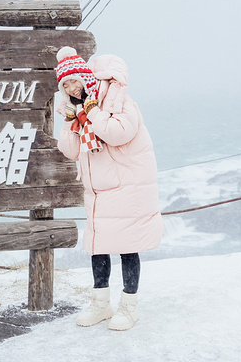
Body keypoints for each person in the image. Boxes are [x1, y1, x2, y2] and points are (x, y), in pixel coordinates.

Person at [55, 46, 163, 331]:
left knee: (128, 247)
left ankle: (129, 307)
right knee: (98, 248)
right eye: (65, 84)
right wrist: (71, 123)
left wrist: (91, 112)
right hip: (97, 190)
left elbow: (116, 134)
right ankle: (101, 304)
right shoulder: (77, 111)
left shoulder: (122, 104)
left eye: (74, 80)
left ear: (87, 78)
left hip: (127, 187)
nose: (71, 87)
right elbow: (69, 150)